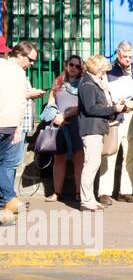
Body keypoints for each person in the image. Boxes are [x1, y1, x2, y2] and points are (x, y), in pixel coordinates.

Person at [76, 54, 127, 212]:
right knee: (90, 165)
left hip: (96, 128)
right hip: (91, 128)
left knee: (93, 164)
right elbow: (91, 108)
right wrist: (113, 109)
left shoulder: (92, 82)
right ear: (97, 68)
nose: (104, 73)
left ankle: (89, 198)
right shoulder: (88, 84)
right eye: (103, 70)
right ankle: (86, 200)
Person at [100, 41, 133, 203]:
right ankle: (104, 192)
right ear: (118, 54)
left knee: (130, 154)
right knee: (110, 153)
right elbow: (105, 92)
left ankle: (125, 191)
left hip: (132, 117)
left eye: (130, 57)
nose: (128, 60)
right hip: (116, 117)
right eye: (125, 56)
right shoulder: (109, 70)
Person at [0, 39, 43, 207]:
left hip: (11, 125)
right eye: (30, 59)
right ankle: (9, 200)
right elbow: (19, 101)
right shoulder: (16, 72)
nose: (32, 64)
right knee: (8, 164)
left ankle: (7, 201)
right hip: (10, 125)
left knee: (8, 164)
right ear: (18, 54)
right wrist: (17, 127)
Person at [44, 56, 85, 204]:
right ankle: (57, 193)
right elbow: (51, 101)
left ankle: (79, 192)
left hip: (77, 124)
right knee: (59, 158)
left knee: (78, 158)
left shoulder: (83, 83)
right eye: (71, 64)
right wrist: (55, 116)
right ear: (66, 65)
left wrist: (66, 114)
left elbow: (84, 104)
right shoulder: (58, 81)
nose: (74, 68)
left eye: (78, 66)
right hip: (58, 124)